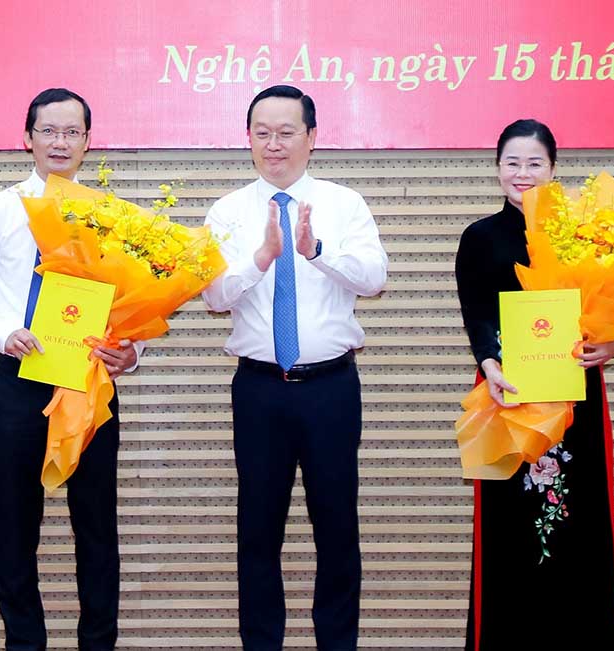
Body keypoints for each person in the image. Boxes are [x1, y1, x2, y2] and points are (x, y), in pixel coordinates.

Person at [0, 87, 143, 651]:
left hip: (88, 382)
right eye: (49, 131)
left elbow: (129, 304)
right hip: (19, 382)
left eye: (72, 132)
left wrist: (133, 353)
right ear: (28, 137)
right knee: (15, 528)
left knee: (97, 530)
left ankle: (98, 643)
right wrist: (1, 332)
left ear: (88, 141)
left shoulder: (110, 217)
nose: (61, 142)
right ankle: (24, 644)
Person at [202, 84, 388, 650]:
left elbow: (375, 278)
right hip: (259, 390)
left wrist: (315, 251)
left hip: (330, 388)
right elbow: (212, 295)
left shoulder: (344, 203)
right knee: (257, 530)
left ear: (312, 137)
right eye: (262, 133)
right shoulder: (229, 210)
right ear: (248, 139)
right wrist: (261, 258)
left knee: (336, 528)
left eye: (286, 133)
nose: (273, 144)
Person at [454, 119, 614, 649]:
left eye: (535, 163)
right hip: (509, 397)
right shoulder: (479, 237)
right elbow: (478, 316)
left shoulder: (583, 236)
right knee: (508, 535)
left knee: (581, 528)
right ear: (497, 168)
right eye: (512, 162)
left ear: (553, 169)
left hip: (575, 401)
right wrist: (489, 364)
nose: (522, 173)